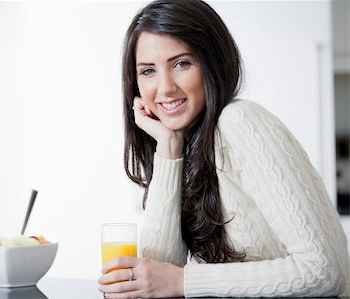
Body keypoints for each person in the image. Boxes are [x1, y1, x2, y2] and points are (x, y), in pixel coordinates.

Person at [97, 0, 350, 297]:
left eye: (181, 63)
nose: (164, 88)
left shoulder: (240, 122)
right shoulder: (187, 145)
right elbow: (160, 273)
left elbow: (325, 271)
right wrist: (168, 147)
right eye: (148, 71)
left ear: (211, 63)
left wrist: (184, 281)